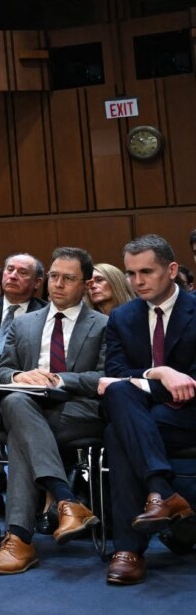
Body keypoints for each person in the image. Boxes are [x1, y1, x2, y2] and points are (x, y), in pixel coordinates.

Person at [0, 247, 107, 575]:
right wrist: (20, 376)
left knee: (19, 430)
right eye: (54, 276)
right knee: (15, 401)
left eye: (68, 278)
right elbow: (1, 372)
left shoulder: (104, 324)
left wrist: (59, 379)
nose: (58, 284)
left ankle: (18, 540)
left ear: (86, 283)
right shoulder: (24, 324)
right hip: (29, 405)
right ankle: (65, 501)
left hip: (77, 411)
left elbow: (105, 376)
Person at [97, 235, 196, 585]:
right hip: (142, 415)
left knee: (118, 429)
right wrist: (161, 372)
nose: (137, 281)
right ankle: (161, 493)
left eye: (146, 272)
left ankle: (129, 550)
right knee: (120, 396)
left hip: (188, 414)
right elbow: (116, 374)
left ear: (171, 270)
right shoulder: (123, 317)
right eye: (130, 273)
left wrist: (149, 383)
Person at [0, 253, 47, 359]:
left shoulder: (47, 314)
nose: (12, 276)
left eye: (23, 272)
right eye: (10, 270)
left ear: (37, 283)